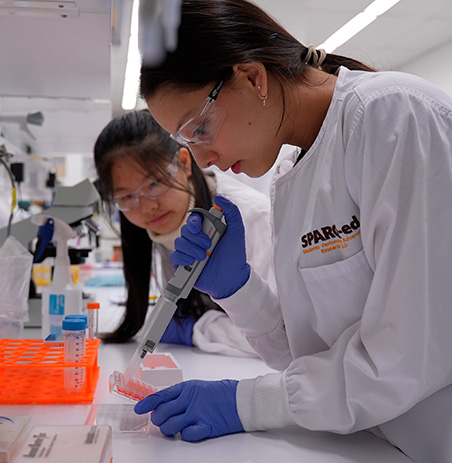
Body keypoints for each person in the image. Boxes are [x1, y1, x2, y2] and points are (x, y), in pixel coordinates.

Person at [133, 0, 452, 460]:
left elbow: (406, 356)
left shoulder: (393, 117)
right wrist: (240, 290)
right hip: (376, 442)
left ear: (252, 77)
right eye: (186, 142)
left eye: (199, 128)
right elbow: (315, 356)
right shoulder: (294, 169)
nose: (201, 161)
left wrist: (247, 402)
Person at [93, 109, 275, 357]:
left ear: (185, 163)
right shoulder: (166, 222)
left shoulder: (251, 218)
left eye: (154, 184)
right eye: (126, 197)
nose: (147, 207)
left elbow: (279, 336)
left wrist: (195, 330)